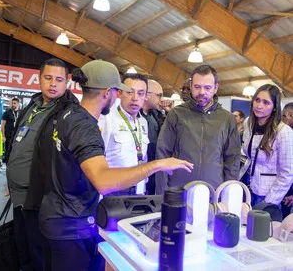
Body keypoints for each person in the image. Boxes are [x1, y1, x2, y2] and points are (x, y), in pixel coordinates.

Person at [38, 60, 193, 271]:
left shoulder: (70, 113)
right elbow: (103, 181)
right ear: (107, 92)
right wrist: (156, 165)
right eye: (117, 92)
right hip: (71, 225)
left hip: (59, 218)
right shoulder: (86, 127)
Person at [6, 58, 78, 271]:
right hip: (18, 192)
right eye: (48, 78)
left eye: (59, 79)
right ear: (39, 79)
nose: (53, 83)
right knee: (23, 247)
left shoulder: (68, 113)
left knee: (38, 251)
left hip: (40, 197)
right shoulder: (33, 105)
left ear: (67, 82)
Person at [156, 64, 241, 194]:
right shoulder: (177, 114)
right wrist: (161, 193)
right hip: (179, 190)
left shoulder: (226, 119)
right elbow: (163, 152)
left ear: (215, 88)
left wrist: (228, 192)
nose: (202, 92)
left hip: (213, 191)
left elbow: (232, 160)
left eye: (207, 88)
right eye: (197, 87)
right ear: (190, 86)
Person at [239, 84, 293, 206]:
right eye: (257, 100)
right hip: (245, 188)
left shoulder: (283, 131)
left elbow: (287, 173)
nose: (259, 106)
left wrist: (269, 201)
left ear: (274, 107)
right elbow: (249, 155)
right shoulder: (249, 122)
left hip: (266, 194)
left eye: (266, 102)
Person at [100, 73, 149, 195]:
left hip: (139, 190)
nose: (135, 98)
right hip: (114, 191)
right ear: (119, 93)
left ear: (146, 96)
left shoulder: (143, 122)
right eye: (129, 92)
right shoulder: (106, 119)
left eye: (141, 93)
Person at [141, 80, 171, 194]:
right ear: (147, 95)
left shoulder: (156, 115)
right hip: (140, 167)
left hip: (155, 167)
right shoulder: (135, 116)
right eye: (159, 95)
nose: (162, 99)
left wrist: (169, 112)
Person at [1, 97, 21, 163]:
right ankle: (7, 163)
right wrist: (3, 136)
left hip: (18, 135)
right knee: (8, 150)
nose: (13, 104)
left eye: (14, 103)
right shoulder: (7, 113)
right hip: (8, 135)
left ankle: (14, 163)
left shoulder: (21, 113)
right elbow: (3, 125)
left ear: (18, 104)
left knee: (16, 150)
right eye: (12, 103)